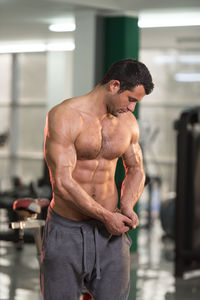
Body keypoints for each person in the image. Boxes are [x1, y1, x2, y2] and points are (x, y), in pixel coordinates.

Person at [40, 58, 154, 300]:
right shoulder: (65, 115)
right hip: (67, 230)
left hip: (110, 235)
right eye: (131, 99)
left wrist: (126, 206)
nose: (132, 108)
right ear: (114, 85)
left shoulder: (128, 123)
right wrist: (106, 215)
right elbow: (62, 182)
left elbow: (136, 169)